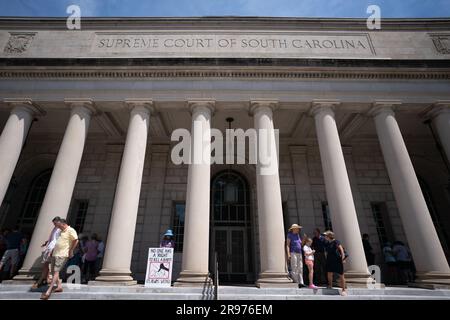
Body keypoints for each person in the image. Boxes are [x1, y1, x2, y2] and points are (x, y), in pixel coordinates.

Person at [41, 219, 78, 300]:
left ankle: (48, 291)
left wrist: (71, 250)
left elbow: (76, 240)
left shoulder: (71, 230)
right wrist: (52, 250)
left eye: (58, 225)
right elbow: (57, 242)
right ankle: (59, 286)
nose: (57, 227)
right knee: (54, 271)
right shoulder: (60, 231)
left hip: (62, 254)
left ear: (63, 224)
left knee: (56, 272)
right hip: (55, 253)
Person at [31, 216, 62, 289]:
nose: (54, 225)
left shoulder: (60, 229)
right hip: (49, 248)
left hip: (53, 249)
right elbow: (52, 239)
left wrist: (54, 249)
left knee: (54, 268)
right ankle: (45, 279)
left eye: (55, 223)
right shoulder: (55, 228)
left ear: (59, 222)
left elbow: (59, 240)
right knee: (46, 265)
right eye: (54, 223)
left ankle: (56, 284)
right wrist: (46, 243)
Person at [323, 230, 347, 296]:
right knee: (329, 273)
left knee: (341, 275)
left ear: (329, 236)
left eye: (325, 235)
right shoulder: (327, 243)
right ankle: (330, 285)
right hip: (329, 260)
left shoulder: (336, 241)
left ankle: (344, 290)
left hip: (337, 260)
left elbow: (341, 250)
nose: (324, 236)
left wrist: (343, 258)